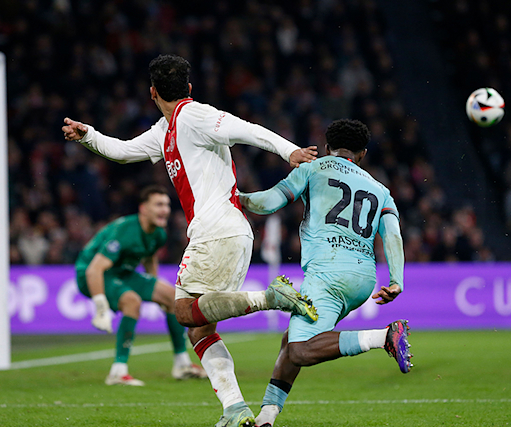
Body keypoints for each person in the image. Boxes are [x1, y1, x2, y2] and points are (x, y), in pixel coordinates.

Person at [63, 54, 319, 427]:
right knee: (200, 329)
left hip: (217, 230)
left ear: (152, 92)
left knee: (183, 311)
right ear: (188, 86)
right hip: (228, 232)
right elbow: (123, 152)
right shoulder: (163, 130)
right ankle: (235, 409)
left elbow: (245, 129)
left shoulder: (194, 115)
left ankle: (271, 298)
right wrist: (88, 135)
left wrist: (289, 151)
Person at [238, 119, 412, 427]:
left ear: (328, 147)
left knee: (300, 350)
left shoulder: (313, 168)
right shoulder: (381, 190)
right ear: (363, 153)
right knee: (291, 340)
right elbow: (393, 236)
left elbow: (268, 203)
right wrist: (396, 281)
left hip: (328, 275)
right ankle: (267, 415)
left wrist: (236, 198)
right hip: (363, 279)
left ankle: (384, 336)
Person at [75, 185, 206, 386]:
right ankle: (118, 372)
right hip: (93, 274)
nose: (165, 210)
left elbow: (149, 257)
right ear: (143, 209)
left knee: (173, 298)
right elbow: (94, 269)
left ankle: (182, 364)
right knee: (132, 301)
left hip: (123, 272)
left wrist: (154, 284)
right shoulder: (125, 231)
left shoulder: (159, 234)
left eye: (167, 205)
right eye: (159, 205)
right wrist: (101, 308)